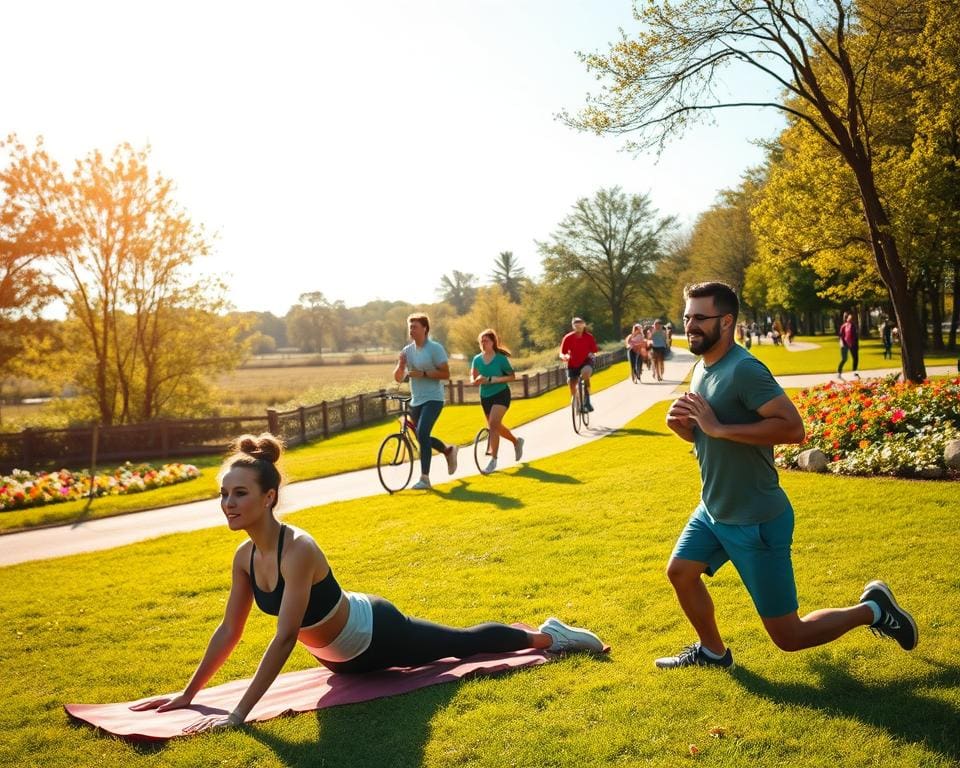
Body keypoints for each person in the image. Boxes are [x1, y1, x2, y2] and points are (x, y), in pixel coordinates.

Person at [130, 434, 605, 733]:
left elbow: (283, 637)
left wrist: (238, 715)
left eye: (240, 493)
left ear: (269, 496)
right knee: (442, 650)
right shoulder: (244, 556)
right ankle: (542, 635)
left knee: (459, 646)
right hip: (341, 661)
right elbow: (228, 630)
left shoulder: (299, 548)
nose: (228, 504)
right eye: (223, 494)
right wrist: (189, 696)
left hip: (376, 632)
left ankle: (549, 636)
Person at [657, 281, 917, 669]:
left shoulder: (745, 369)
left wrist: (718, 429)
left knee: (790, 637)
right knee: (680, 572)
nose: (690, 325)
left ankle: (873, 609)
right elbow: (711, 435)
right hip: (713, 511)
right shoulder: (702, 368)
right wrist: (689, 430)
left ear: (726, 321)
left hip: (755, 520)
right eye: (687, 317)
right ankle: (713, 652)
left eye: (699, 317)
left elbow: (793, 429)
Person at [392, 313, 457, 490]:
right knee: (423, 437)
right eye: (410, 326)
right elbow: (398, 378)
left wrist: (425, 374)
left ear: (425, 329)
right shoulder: (407, 351)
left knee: (422, 433)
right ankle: (448, 450)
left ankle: (425, 479)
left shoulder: (435, 349)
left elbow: (446, 374)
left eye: (415, 326)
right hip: (416, 400)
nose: (411, 330)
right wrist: (401, 365)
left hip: (434, 398)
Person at [469, 329, 523, 475]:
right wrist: (477, 380)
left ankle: (493, 460)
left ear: (493, 342)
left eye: (486, 340)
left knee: (493, 424)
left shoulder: (500, 359)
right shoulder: (477, 359)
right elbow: (472, 380)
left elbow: (512, 377)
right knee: (495, 426)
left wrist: (493, 379)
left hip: (501, 394)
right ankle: (516, 441)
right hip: (485, 397)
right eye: (481, 341)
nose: (483, 343)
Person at [560, 317, 598, 412]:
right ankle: (578, 403)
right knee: (571, 383)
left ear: (584, 325)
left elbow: (594, 351)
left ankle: (587, 401)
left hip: (586, 361)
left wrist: (592, 355)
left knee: (586, 373)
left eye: (580, 324)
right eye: (576, 325)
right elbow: (562, 352)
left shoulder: (589, 337)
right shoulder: (568, 337)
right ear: (573, 326)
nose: (579, 327)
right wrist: (564, 357)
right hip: (572, 363)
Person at [837, 311, 860, 380]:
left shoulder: (846, 326)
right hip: (849, 344)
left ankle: (840, 372)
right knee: (853, 358)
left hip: (846, 344)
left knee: (847, 359)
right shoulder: (849, 326)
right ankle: (854, 372)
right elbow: (845, 336)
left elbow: (841, 336)